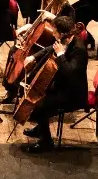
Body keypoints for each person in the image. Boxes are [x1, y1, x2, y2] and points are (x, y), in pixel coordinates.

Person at [21, 15, 90, 153]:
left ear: (63, 33)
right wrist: (33, 57)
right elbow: (49, 49)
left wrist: (60, 55)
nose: (53, 34)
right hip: (62, 86)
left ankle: (46, 142)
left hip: (73, 94)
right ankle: (41, 129)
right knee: (38, 96)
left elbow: (70, 74)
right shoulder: (64, 40)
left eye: (55, 31)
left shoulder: (79, 50)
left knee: (38, 105)